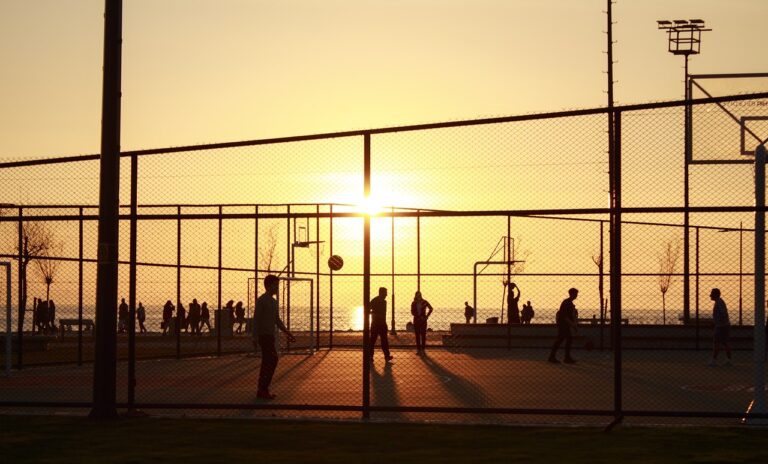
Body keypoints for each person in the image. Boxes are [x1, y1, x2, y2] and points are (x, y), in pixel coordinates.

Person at [253, 274, 295, 399]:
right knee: (271, 359)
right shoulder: (261, 301)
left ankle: (262, 389)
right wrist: (254, 337)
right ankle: (262, 389)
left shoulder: (274, 302)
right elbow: (256, 320)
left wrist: (288, 332)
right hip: (263, 336)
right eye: (275, 285)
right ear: (269, 286)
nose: (277, 288)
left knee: (269, 361)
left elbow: (277, 320)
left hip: (270, 336)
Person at [548, 288, 579, 364]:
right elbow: (565, 316)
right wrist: (573, 325)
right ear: (572, 294)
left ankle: (561, 357)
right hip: (563, 324)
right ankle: (564, 357)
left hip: (564, 324)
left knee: (563, 339)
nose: (577, 296)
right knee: (563, 339)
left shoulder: (569, 303)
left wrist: (573, 324)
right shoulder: (567, 303)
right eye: (576, 294)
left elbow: (570, 315)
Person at [368, 287, 393, 362]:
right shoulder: (374, 301)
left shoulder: (384, 301)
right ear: (381, 293)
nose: (386, 294)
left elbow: (383, 313)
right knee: (372, 340)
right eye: (385, 293)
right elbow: (367, 309)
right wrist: (375, 314)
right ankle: (370, 356)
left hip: (382, 323)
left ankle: (387, 356)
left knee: (384, 341)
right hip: (375, 323)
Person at [709, 288, 732, 367]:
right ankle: (729, 360)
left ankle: (714, 360)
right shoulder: (720, 302)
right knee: (725, 343)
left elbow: (723, 314)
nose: (710, 295)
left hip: (721, 326)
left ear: (715, 294)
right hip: (723, 325)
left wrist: (718, 322)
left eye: (711, 293)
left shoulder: (719, 303)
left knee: (716, 343)